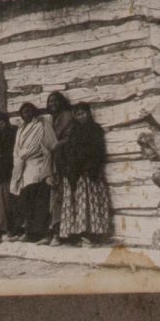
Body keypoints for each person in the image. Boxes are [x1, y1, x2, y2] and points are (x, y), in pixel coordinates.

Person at [49, 94, 112, 245]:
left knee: (92, 204)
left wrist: (91, 166)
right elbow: (71, 152)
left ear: (89, 114)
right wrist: (71, 169)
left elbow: (99, 151)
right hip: (77, 174)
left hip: (91, 173)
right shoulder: (74, 133)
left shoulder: (95, 130)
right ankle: (79, 234)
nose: (80, 117)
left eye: (83, 113)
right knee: (79, 204)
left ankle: (93, 234)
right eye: (77, 114)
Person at [8, 100, 54, 240]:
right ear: (21, 115)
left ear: (34, 111)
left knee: (36, 198)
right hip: (22, 165)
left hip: (35, 164)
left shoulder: (39, 125)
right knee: (25, 199)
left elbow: (36, 146)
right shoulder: (21, 129)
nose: (26, 114)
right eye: (24, 112)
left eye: (29, 111)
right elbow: (16, 148)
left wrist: (21, 155)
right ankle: (28, 231)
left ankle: (39, 233)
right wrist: (18, 159)